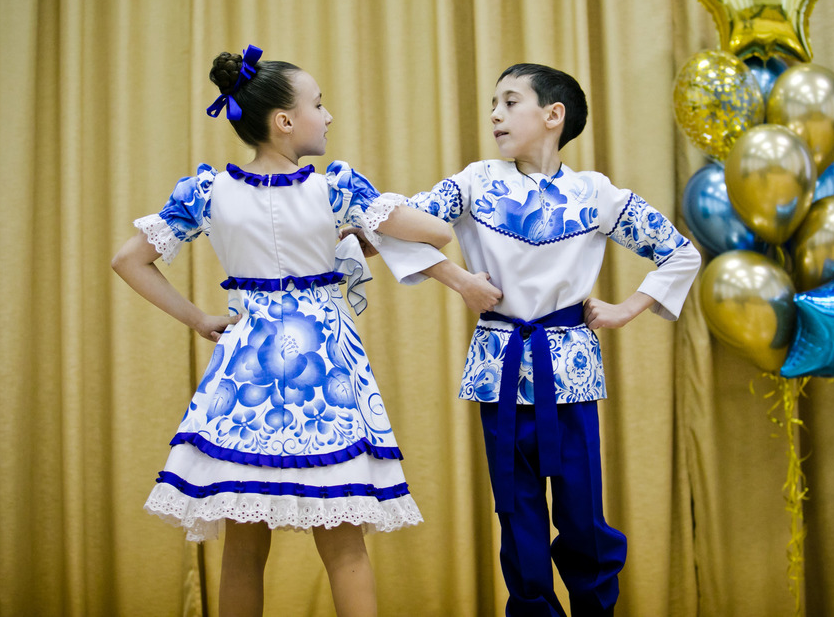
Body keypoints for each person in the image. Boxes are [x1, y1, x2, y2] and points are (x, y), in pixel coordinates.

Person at [111, 44, 454, 617]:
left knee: (243, 552)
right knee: (345, 550)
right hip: (328, 378)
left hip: (243, 378)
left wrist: (199, 319)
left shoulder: (206, 193)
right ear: (285, 120)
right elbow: (437, 232)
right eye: (319, 104)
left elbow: (128, 259)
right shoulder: (337, 190)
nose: (329, 115)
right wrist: (358, 235)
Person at [377, 64, 702, 616]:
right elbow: (401, 220)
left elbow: (680, 252)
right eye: (493, 105)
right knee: (517, 515)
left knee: (584, 518)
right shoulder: (475, 181)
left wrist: (626, 310)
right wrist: (455, 278)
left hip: (569, 371)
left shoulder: (594, 192)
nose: (495, 115)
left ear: (554, 116)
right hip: (499, 366)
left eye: (510, 102)